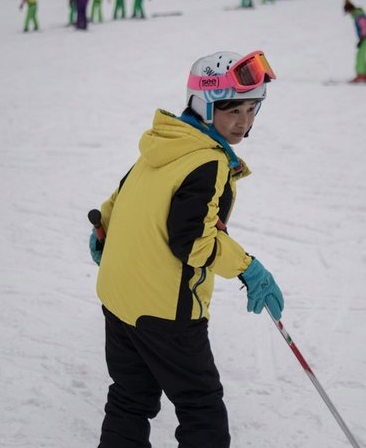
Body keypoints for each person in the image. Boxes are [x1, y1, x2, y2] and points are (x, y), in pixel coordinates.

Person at [90, 50, 284, 448]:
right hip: (167, 311)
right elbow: (193, 241)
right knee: (201, 409)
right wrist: (248, 268)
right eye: (233, 111)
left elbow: (119, 202)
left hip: (119, 299)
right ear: (205, 106)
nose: (244, 123)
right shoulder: (206, 162)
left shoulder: (165, 142)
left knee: (131, 397)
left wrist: (103, 236)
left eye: (252, 109)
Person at [344, 0, 366, 82]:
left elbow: (364, 28)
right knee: (362, 56)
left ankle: (361, 75)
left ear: (351, 10)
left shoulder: (359, 16)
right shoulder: (358, 14)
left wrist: (361, 40)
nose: (349, 15)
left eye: (348, 12)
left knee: (359, 56)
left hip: (365, 39)